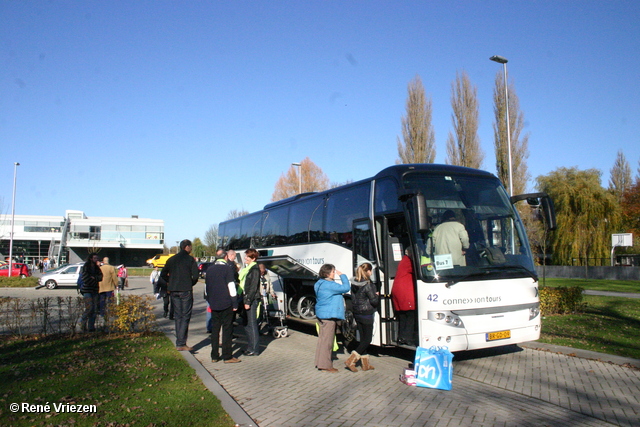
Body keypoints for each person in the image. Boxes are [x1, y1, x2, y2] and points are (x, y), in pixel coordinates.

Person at [160, 240, 199, 351]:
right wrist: (190, 283)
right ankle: (182, 343)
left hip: (174, 290)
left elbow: (163, 274)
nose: (191, 249)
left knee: (178, 316)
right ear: (186, 247)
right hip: (185, 290)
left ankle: (179, 342)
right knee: (185, 316)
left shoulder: (171, 259)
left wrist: (171, 281)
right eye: (190, 247)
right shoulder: (190, 259)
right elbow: (195, 276)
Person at [205, 251, 241, 364]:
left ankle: (214, 355)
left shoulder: (210, 269)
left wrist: (210, 300)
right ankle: (227, 356)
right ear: (225, 257)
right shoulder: (227, 269)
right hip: (226, 303)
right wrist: (235, 303)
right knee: (227, 329)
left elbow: (207, 288)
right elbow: (231, 287)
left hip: (214, 303)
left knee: (215, 330)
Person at [314, 263, 350, 373]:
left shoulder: (319, 283)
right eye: (333, 272)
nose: (335, 273)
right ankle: (326, 365)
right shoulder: (329, 285)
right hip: (328, 316)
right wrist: (342, 275)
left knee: (322, 340)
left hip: (322, 313)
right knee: (327, 342)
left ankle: (319, 362)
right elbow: (346, 287)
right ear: (328, 273)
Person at [346, 262, 379, 372]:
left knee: (363, 339)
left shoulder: (354, 283)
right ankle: (351, 360)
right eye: (371, 271)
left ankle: (365, 364)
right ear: (368, 272)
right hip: (367, 314)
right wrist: (377, 296)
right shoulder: (368, 285)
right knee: (367, 339)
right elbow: (374, 301)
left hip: (357, 313)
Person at [391, 248, 417, 346]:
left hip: (399, 291)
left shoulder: (404, 261)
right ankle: (408, 338)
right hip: (405, 292)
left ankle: (401, 337)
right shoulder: (409, 262)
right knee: (411, 316)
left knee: (403, 316)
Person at [239, 248, 261, 356]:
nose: (245, 258)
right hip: (246, 298)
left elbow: (253, 287)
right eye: (246, 256)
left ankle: (254, 349)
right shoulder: (248, 268)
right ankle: (250, 347)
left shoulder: (255, 270)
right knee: (246, 324)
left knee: (252, 324)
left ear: (253, 258)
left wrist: (248, 301)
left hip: (251, 300)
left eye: (247, 257)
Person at [80, 253, 103, 332]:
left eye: (97, 258)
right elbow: (85, 278)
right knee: (89, 308)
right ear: (91, 258)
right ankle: (82, 323)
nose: (96, 259)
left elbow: (100, 277)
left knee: (95, 309)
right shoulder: (86, 267)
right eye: (95, 258)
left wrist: (94, 278)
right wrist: (94, 280)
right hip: (87, 290)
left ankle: (91, 327)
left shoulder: (97, 268)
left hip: (95, 290)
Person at [258, 263, 277, 334]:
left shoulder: (267, 275)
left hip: (268, 295)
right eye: (261, 272)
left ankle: (270, 328)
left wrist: (272, 293)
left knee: (271, 311)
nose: (262, 273)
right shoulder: (256, 276)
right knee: (260, 313)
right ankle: (258, 329)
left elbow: (270, 285)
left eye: (263, 272)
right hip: (260, 296)